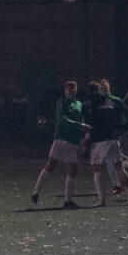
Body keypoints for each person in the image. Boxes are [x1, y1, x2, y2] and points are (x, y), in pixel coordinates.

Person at [30, 80, 91, 209]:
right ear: (65, 91)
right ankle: (35, 193)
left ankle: (68, 201)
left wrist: (83, 139)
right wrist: (79, 126)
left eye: (72, 89)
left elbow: (81, 121)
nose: (69, 91)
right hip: (61, 139)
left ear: (76, 91)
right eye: (67, 89)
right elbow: (63, 120)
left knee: (72, 170)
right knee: (50, 165)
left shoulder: (79, 104)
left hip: (73, 141)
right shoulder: (61, 103)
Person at [82, 79, 128, 206]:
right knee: (119, 167)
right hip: (113, 137)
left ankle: (102, 200)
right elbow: (124, 115)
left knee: (97, 167)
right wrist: (127, 127)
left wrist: (86, 139)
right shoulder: (114, 102)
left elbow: (89, 123)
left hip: (99, 139)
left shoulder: (90, 103)